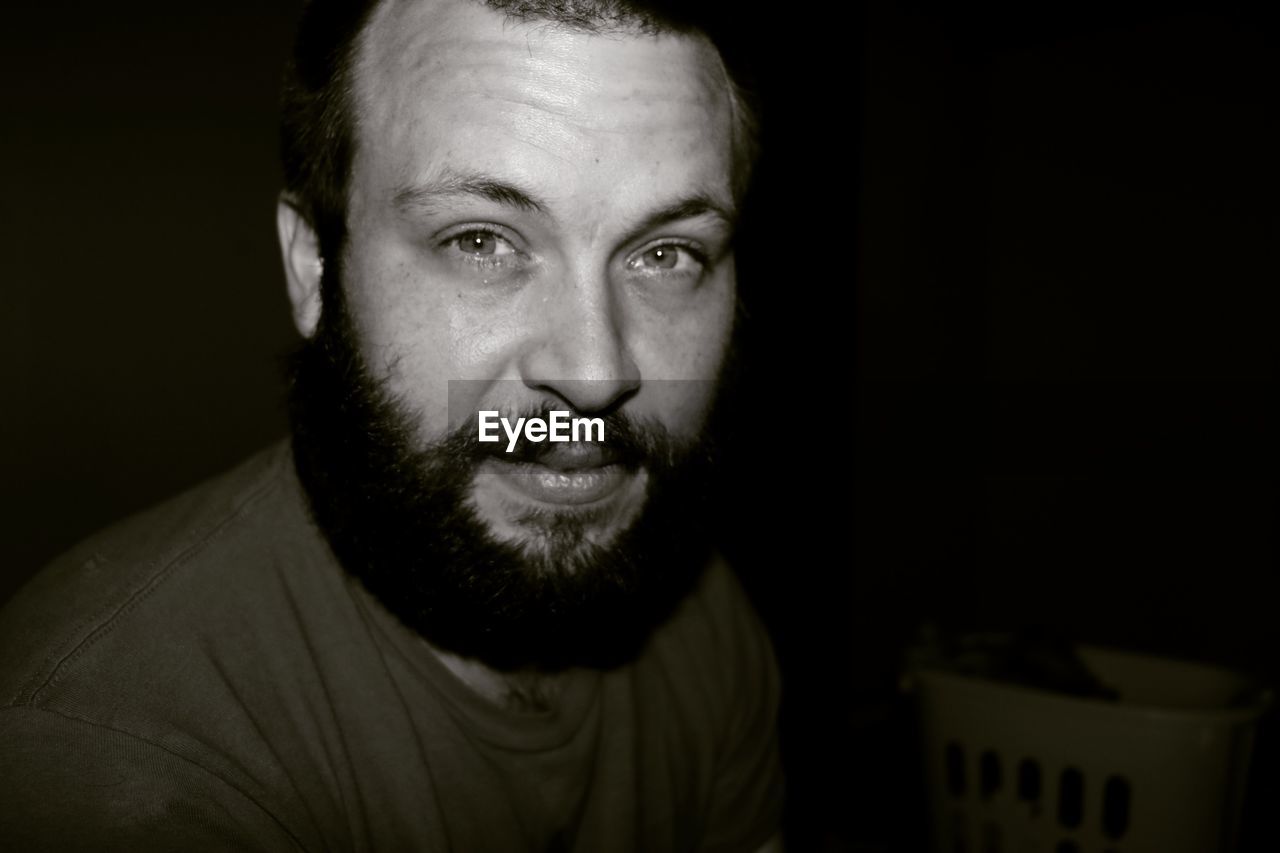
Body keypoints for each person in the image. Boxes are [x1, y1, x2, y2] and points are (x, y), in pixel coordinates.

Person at [0, 0, 784, 850]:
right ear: (313, 268)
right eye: (481, 241)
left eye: (666, 253)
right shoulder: (106, 749)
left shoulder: (705, 618)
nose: (597, 375)